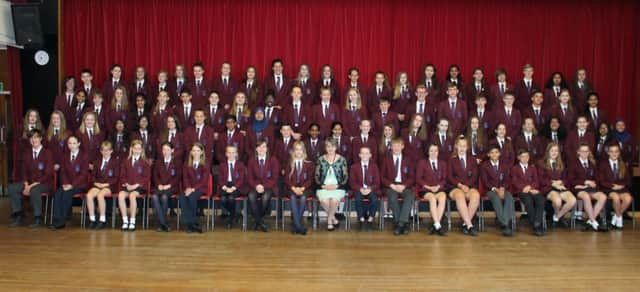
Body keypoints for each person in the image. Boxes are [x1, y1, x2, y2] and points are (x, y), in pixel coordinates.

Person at [8, 130, 53, 228]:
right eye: (31, 138)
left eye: (36, 137)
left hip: (44, 183)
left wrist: (31, 185)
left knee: (34, 190)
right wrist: (25, 184)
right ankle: (18, 215)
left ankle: (38, 218)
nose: (34, 140)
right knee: (12, 187)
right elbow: (23, 171)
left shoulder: (47, 153)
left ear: (41, 138)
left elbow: (48, 173)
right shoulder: (26, 153)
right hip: (29, 183)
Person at [49, 135, 89, 230]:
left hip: (79, 185)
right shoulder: (65, 156)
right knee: (58, 193)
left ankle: (62, 220)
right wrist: (65, 183)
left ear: (79, 144)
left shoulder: (84, 156)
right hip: (67, 184)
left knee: (67, 194)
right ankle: (57, 219)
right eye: (70, 143)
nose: (72, 145)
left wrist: (72, 185)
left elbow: (83, 174)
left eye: (74, 143)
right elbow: (63, 172)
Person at [569, 143, 607, 231]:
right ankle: (594, 222)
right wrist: (584, 182)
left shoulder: (592, 163)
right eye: (582, 151)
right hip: (579, 189)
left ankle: (591, 220)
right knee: (585, 196)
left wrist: (594, 182)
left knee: (603, 196)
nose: (585, 153)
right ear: (578, 152)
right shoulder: (573, 163)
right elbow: (571, 180)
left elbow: (597, 178)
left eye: (587, 151)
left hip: (591, 188)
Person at [381, 138, 415, 236]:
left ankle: (399, 224)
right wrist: (392, 185)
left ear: (402, 147)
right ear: (391, 147)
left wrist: (404, 186)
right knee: (392, 197)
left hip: (404, 185)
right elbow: (382, 177)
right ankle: (403, 223)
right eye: (394, 146)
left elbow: (412, 177)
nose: (396, 148)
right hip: (391, 185)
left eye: (398, 145)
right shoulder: (386, 159)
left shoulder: (408, 159)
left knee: (409, 196)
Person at [538, 143, 576, 228]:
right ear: (548, 152)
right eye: (552, 151)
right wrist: (553, 183)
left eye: (556, 151)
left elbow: (566, 178)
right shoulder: (541, 163)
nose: (554, 153)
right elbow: (541, 179)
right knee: (558, 201)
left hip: (560, 187)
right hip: (548, 187)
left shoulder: (561, 163)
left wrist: (561, 182)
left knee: (572, 200)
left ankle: (557, 217)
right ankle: (559, 217)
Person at [447, 137, 480, 236]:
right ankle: (469, 225)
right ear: (456, 146)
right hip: (455, 187)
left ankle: (465, 224)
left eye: (464, 146)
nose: (462, 148)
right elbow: (450, 176)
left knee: (476, 195)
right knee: (460, 195)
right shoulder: (451, 160)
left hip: (469, 186)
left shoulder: (472, 159)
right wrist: (460, 185)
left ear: (467, 147)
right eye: (460, 146)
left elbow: (475, 176)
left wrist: (467, 186)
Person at [480, 145, 514, 236]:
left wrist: (502, 188)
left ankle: (505, 222)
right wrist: (495, 189)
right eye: (492, 152)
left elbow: (507, 179)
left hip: (502, 188)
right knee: (496, 198)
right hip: (490, 190)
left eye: (496, 152)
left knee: (509, 197)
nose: (494, 154)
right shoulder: (484, 166)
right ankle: (505, 224)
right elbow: (485, 181)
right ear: (488, 155)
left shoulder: (504, 165)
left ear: (499, 153)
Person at [315, 138, 348, 231]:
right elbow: (316, 176)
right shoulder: (320, 159)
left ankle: (329, 221)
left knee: (334, 200)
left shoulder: (342, 159)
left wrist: (337, 186)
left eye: (332, 146)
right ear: (325, 148)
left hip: (338, 187)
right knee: (324, 201)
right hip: (323, 187)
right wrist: (323, 186)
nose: (330, 148)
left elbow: (345, 177)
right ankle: (334, 219)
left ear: (336, 147)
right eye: (328, 146)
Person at [247, 139, 279, 232]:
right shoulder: (252, 160)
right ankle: (260, 222)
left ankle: (257, 221)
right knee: (251, 196)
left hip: (269, 186)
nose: (261, 149)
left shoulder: (273, 159)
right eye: (259, 147)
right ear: (256, 149)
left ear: (267, 148)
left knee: (265, 197)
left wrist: (263, 186)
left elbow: (274, 178)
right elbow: (249, 177)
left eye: (263, 146)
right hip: (255, 186)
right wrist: (257, 186)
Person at [118, 140, 151, 231]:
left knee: (132, 196)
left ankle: (132, 220)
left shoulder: (145, 163)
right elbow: (122, 175)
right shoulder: (126, 161)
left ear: (141, 150)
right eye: (135, 148)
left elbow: (146, 177)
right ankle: (125, 220)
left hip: (139, 187)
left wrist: (136, 185)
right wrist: (126, 184)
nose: (137, 150)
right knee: (121, 195)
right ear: (131, 149)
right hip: (127, 186)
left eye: (139, 149)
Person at [416, 144, 448, 236]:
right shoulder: (422, 162)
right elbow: (418, 178)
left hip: (439, 188)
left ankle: (435, 225)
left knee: (443, 197)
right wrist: (429, 187)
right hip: (426, 189)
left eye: (435, 151)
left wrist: (438, 186)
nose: (433, 153)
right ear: (428, 152)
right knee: (432, 199)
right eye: (431, 151)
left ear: (438, 152)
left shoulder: (442, 163)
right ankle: (438, 226)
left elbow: (444, 179)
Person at [598, 144, 633, 229]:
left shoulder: (623, 164)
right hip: (608, 188)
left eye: (616, 151)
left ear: (619, 153)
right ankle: (619, 219)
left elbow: (628, 180)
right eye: (612, 151)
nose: (614, 154)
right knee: (616, 197)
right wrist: (612, 186)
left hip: (620, 188)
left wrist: (621, 186)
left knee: (628, 198)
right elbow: (600, 180)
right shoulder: (603, 164)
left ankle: (616, 216)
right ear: (608, 153)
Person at [511, 149, 545, 236]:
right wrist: (524, 188)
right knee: (528, 201)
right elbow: (515, 182)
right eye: (523, 157)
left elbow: (536, 181)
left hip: (532, 189)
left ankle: (537, 221)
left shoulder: (532, 168)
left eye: (527, 156)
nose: (525, 159)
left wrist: (530, 187)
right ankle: (536, 225)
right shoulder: (515, 168)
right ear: (518, 158)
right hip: (521, 191)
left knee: (540, 199)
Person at [86, 141, 119, 230]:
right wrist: (96, 183)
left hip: (109, 185)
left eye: (108, 150)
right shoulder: (96, 162)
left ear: (111, 151)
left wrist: (106, 184)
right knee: (89, 195)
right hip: (98, 184)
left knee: (100, 195)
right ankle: (92, 219)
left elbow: (116, 177)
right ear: (101, 151)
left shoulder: (115, 162)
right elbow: (93, 176)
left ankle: (102, 219)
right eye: (103, 150)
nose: (105, 152)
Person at [180, 143, 211, 233]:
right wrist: (188, 188)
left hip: (201, 188)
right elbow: (185, 178)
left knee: (192, 197)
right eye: (194, 150)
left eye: (198, 150)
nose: (196, 152)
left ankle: (191, 224)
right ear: (191, 152)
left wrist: (193, 189)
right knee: (182, 196)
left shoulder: (205, 164)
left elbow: (204, 180)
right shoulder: (187, 164)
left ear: (201, 152)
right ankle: (192, 224)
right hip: (189, 188)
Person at [285, 141, 314, 235]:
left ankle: (296, 226)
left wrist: (302, 188)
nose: (298, 151)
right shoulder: (289, 163)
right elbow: (286, 179)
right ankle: (299, 227)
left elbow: (310, 179)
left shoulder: (309, 164)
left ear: (303, 151)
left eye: (300, 149)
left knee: (303, 198)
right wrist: (293, 188)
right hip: (291, 188)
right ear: (294, 151)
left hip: (305, 188)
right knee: (293, 197)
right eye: (296, 149)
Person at [151, 142, 182, 232]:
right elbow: (155, 176)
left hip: (171, 187)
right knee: (154, 196)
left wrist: (169, 185)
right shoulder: (158, 162)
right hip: (159, 187)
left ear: (172, 150)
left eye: (168, 149)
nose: (165, 152)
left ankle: (161, 224)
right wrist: (159, 185)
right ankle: (163, 223)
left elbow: (178, 177)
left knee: (164, 197)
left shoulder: (177, 162)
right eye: (164, 149)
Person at [349, 146, 380, 232]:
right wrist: (360, 189)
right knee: (358, 199)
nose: (365, 155)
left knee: (374, 199)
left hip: (371, 189)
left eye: (367, 153)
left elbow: (377, 182)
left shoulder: (374, 166)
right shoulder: (354, 167)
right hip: (359, 189)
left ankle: (370, 219)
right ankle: (361, 220)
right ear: (359, 155)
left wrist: (370, 189)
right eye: (362, 153)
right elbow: (352, 182)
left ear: (370, 155)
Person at [218, 145, 247, 229]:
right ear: (226, 154)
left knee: (231, 198)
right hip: (225, 186)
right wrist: (225, 187)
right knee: (223, 199)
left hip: (236, 187)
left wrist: (233, 188)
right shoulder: (222, 165)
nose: (231, 154)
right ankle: (233, 213)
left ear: (236, 154)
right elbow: (220, 179)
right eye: (229, 152)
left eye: (233, 152)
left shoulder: (240, 165)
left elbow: (241, 179)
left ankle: (230, 219)